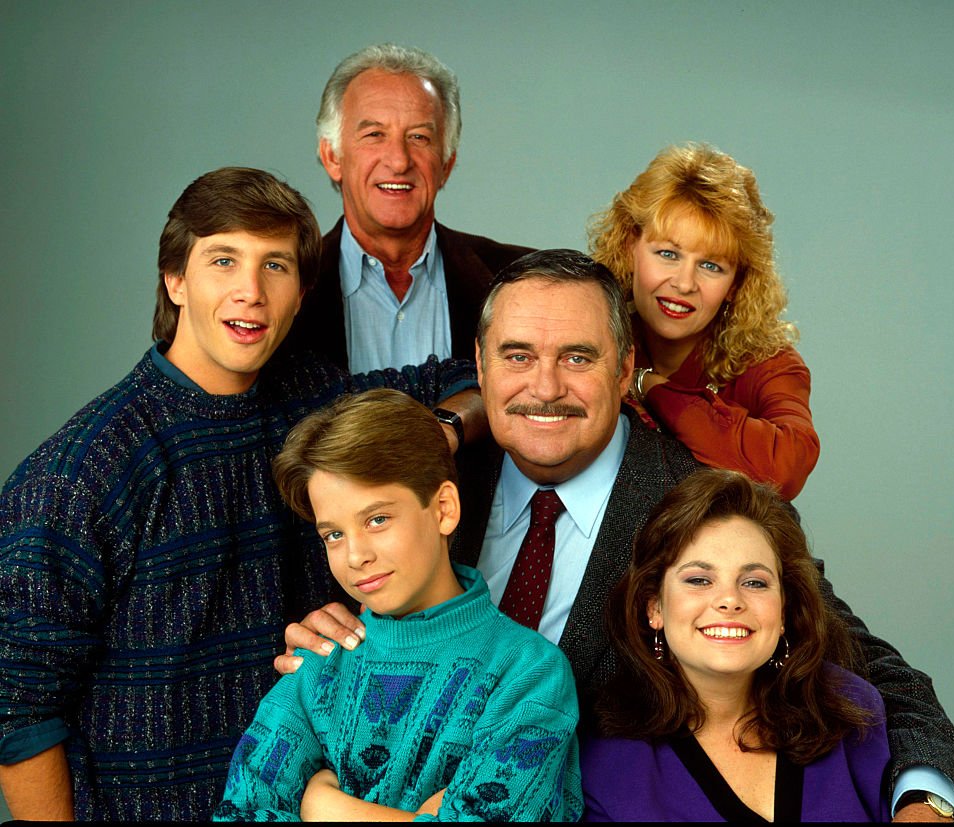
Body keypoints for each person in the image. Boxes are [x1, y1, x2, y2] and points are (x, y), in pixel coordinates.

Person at [280, 249, 954, 821]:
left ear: (623, 370)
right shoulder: (426, 483)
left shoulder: (702, 502)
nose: (545, 386)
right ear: (482, 364)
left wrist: (927, 799)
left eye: (578, 358)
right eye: (518, 355)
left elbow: (877, 670)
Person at [0, 167, 479, 821]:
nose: (251, 292)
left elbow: (470, 374)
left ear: (302, 290)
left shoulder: (315, 400)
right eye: (223, 260)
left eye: (275, 266)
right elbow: (19, 710)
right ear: (176, 279)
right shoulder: (80, 473)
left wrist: (444, 429)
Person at [214, 389, 582, 821]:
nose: (355, 556)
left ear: (443, 508)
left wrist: (323, 806)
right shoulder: (318, 664)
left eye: (377, 519)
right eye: (333, 534)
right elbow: (240, 812)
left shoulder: (528, 672)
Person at [581, 468, 890, 821]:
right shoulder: (606, 762)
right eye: (699, 579)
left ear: (785, 609)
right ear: (655, 607)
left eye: (755, 583)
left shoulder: (850, 708)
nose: (729, 600)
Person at [590, 143, 819, 500]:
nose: (684, 283)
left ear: (736, 283)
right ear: (630, 247)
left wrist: (649, 386)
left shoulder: (770, 365)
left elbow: (784, 468)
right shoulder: (594, 328)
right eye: (668, 254)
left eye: (711, 265)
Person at [287, 43, 533, 374]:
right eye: (374, 134)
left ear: (446, 163)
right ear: (332, 157)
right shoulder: (284, 288)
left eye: (418, 137)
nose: (399, 161)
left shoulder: (522, 279)